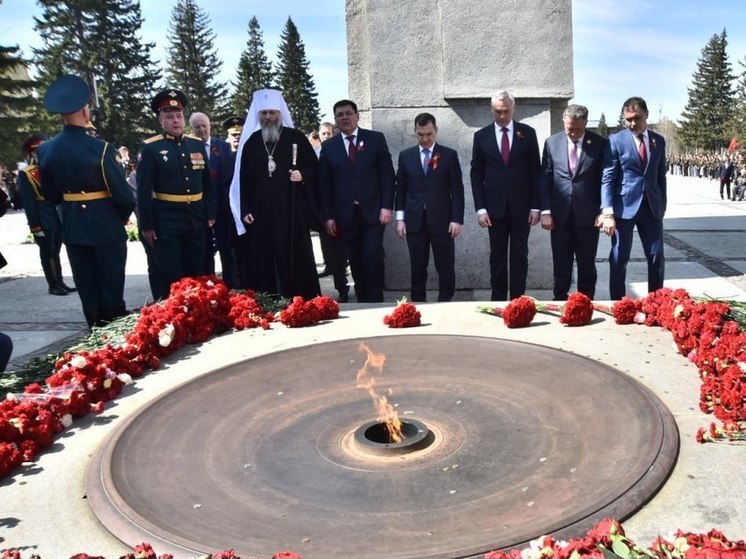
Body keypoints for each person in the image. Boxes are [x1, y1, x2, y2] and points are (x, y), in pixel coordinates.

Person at [38, 74, 136, 328]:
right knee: (110, 280)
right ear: (85, 110)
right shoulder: (102, 149)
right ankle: (114, 328)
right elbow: (124, 196)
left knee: (86, 282)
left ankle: (94, 326)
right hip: (105, 222)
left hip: (72, 223)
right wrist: (122, 217)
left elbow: (49, 195)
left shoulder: (46, 149)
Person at [228, 88, 320, 299]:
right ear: (258, 115)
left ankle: (300, 299)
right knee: (263, 259)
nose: (268, 117)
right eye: (264, 113)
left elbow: (316, 170)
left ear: (280, 113)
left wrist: (302, 175)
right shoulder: (251, 143)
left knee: (295, 258)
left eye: (272, 112)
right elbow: (243, 180)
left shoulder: (296, 138)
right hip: (261, 216)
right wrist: (246, 209)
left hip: (291, 213)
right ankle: (268, 300)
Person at [136, 89, 216, 301]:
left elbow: (207, 182)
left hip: (196, 218)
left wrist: (210, 212)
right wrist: (147, 226)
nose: (176, 121)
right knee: (172, 273)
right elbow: (143, 191)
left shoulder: (196, 144)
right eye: (170, 117)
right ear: (161, 120)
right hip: (167, 220)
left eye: (179, 116)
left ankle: (198, 314)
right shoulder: (151, 148)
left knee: (197, 270)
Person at [319, 100, 396, 302]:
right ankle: (362, 299)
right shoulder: (328, 147)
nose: (345, 117)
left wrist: (387, 206)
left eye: (348, 113)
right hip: (345, 214)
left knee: (373, 255)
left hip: (373, 211)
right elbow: (324, 185)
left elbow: (387, 175)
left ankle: (376, 298)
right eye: (340, 115)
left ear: (357, 115)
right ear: (335, 120)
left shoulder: (375, 139)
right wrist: (328, 216)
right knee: (355, 259)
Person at [470, 90, 541, 301]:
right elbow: (476, 174)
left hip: (522, 208)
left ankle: (519, 300)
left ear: (514, 109)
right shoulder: (481, 136)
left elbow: (535, 172)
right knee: (497, 257)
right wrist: (480, 209)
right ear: (491, 110)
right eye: (497, 112)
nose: (502, 116)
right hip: (494, 209)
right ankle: (499, 299)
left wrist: (536, 206)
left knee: (520, 256)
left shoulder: (527, 133)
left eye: (506, 111)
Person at [600, 96, 667, 300]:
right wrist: (608, 212)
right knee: (619, 258)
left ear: (646, 114)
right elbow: (608, 178)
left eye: (636, 118)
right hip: (624, 209)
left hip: (651, 209)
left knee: (656, 257)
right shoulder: (616, 140)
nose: (632, 123)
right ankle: (619, 303)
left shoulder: (658, 141)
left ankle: (656, 303)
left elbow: (660, 176)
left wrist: (662, 204)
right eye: (627, 119)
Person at [539, 104, 607, 300]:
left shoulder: (600, 143)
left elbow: (605, 178)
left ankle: (586, 300)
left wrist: (604, 210)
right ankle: (560, 298)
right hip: (559, 215)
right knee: (561, 261)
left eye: (577, 128)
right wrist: (545, 211)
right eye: (569, 128)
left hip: (588, 215)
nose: (572, 133)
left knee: (587, 262)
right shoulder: (552, 143)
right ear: (564, 122)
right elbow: (545, 177)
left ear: (585, 123)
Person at [395, 112, 464, 302]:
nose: (425, 139)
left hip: (442, 221)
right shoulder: (406, 156)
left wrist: (456, 219)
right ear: (415, 132)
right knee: (418, 265)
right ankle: (418, 301)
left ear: (436, 131)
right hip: (414, 221)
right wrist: (400, 219)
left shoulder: (449, 155)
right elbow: (400, 190)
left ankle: (445, 300)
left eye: (429, 134)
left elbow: (457, 190)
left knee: (445, 265)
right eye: (420, 134)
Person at [18, 132, 77, 296]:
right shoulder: (27, 173)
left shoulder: (50, 168)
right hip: (42, 216)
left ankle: (60, 281)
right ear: (32, 153)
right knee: (47, 252)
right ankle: (52, 284)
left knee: (56, 250)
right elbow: (28, 202)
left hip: (56, 215)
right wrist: (35, 225)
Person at [189, 111, 238, 288]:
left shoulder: (223, 147)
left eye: (204, 126)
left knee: (227, 249)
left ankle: (231, 285)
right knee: (205, 251)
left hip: (222, 208)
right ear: (191, 129)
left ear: (210, 126)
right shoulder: (189, 146)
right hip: (200, 209)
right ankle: (208, 286)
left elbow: (228, 178)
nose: (202, 130)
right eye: (197, 127)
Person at [315, 120, 349, 302]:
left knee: (345, 252)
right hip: (327, 211)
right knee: (334, 254)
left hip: (345, 209)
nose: (327, 137)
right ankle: (341, 287)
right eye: (324, 134)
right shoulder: (314, 155)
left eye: (330, 133)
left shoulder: (341, 152)